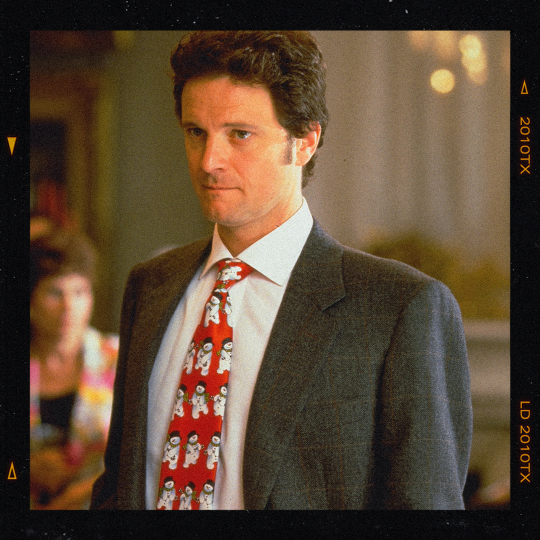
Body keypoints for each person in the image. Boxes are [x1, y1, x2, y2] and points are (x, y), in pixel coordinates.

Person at [91, 31, 472, 510]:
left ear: (305, 141)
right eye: (196, 133)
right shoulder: (151, 285)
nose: (209, 162)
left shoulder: (399, 307)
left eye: (240, 134)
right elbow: (118, 485)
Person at [30, 227, 118, 509]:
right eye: (55, 292)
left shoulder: (118, 358)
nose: (69, 306)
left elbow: (141, 457)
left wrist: (80, 495)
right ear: (30, 299)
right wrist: (20, 469)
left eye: (79, 292)